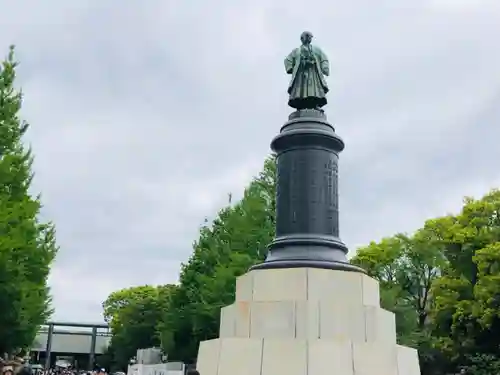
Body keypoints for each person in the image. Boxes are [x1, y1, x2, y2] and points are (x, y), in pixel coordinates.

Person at [284, 31, 330, 110]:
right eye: (308, 36)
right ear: (302, 38)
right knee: (300, 90)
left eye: (310, 37)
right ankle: (300, 105)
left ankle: (315, 104)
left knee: (314, 90)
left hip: (313, 73)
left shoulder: (316, 50)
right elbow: (287, 60)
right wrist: (291, 68)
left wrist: (324, 67)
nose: (309, 38)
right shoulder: (297, 51)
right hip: (301, 74)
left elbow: (324, 58)